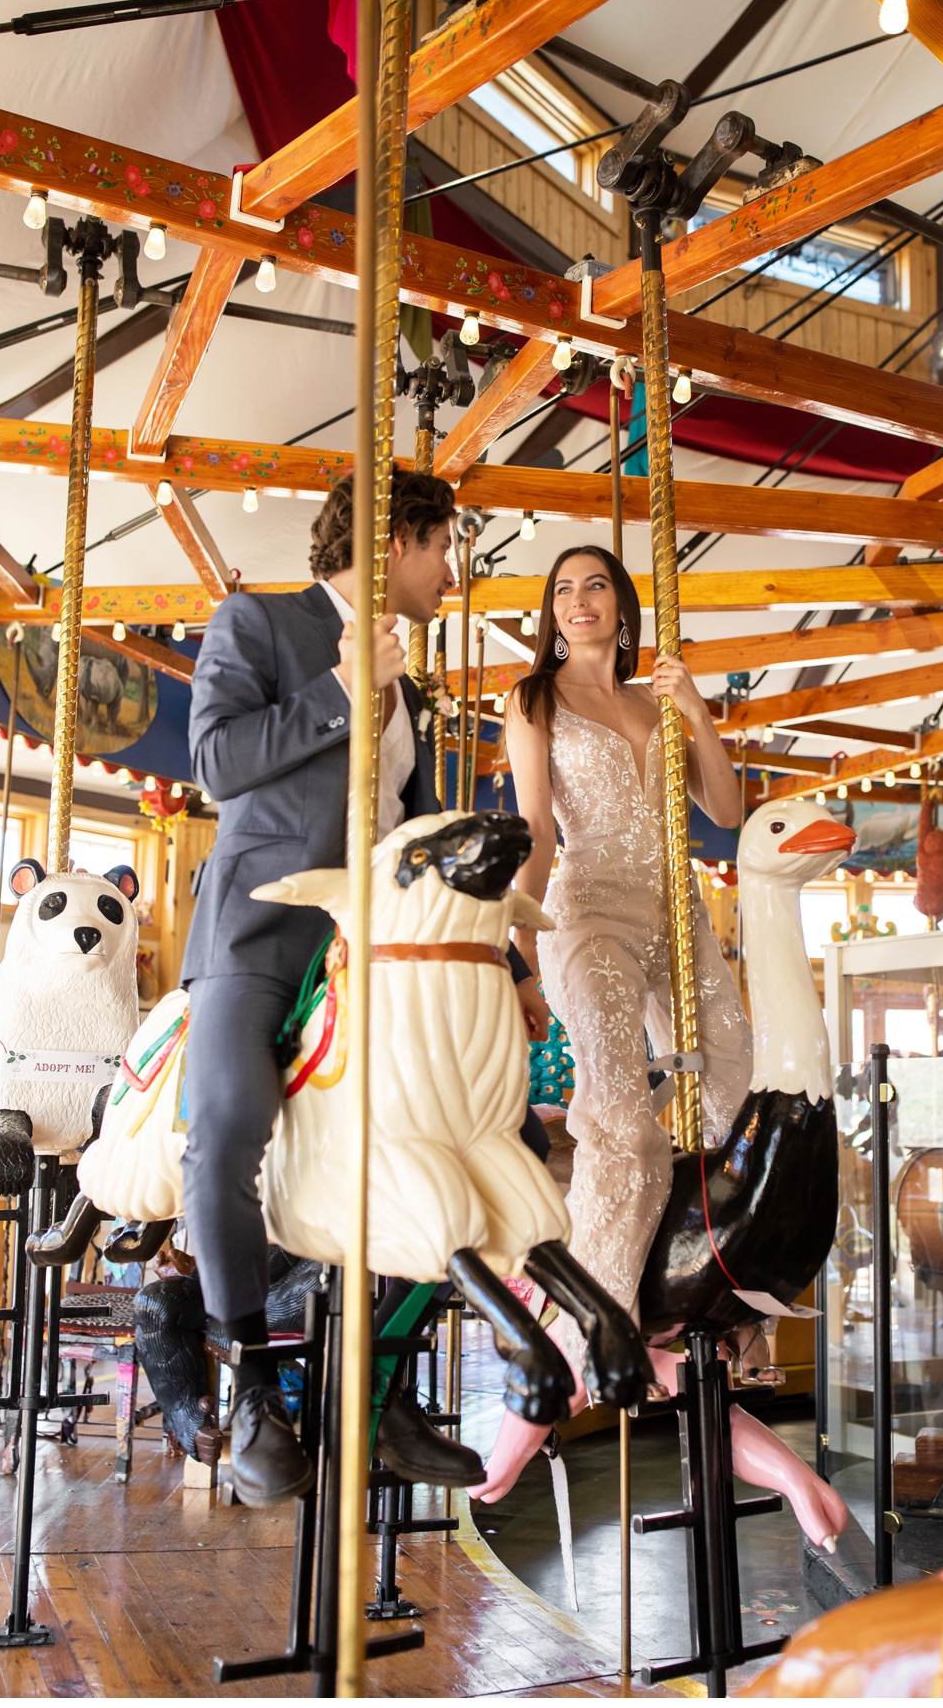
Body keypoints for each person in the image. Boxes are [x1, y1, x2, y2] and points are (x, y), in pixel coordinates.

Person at [179, 466, 551, 1505]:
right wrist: (343, 689)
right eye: (443, 548)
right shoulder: (257, 622)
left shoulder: (413, 688)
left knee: (492, 1148)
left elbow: (422, 842)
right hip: (263, 929)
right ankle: (250, 1382)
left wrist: (510, 965)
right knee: (229, 1118)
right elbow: (216, 761)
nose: (452, 572)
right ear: (396, 540)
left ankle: (378, 1385)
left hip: (374, 950)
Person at [478, 544, 847, 1548]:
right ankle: (570, 1352)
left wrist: (699, 713)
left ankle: (708, 1301)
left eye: (596, 584)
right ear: (552, 614)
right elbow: (538, 830)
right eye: (563, 589)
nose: (579, 601)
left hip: (676, 915)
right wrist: (522, 949)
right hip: (589, 914)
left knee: (742, 1097)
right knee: (622, 1130)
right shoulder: (534, 699)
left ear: (623, 605)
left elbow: (726, 815)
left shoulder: (657, 696)